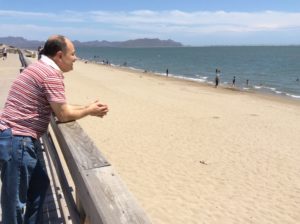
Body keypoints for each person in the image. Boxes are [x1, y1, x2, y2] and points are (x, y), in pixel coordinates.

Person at [0, 35, 109, 224]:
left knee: (40, 185)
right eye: (73, 54)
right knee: (14, 204)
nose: (76, 58)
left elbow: (60, 107)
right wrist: (89, 110)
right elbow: (63, 115)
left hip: (17, 138)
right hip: (18, 140)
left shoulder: (38, 67)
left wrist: (86, 108)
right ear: (60, 55)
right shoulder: (51, 74)